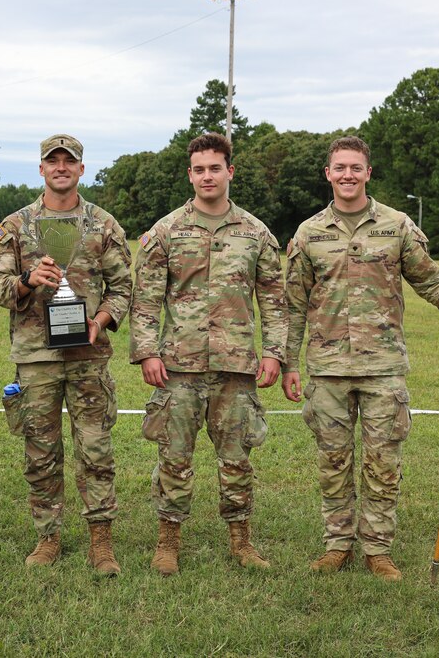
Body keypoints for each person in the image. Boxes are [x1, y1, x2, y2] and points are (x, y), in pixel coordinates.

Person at [282, 135, 439, 581]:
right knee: (333, 462)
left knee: (383, 464)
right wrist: (288, 364)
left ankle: (378, 549)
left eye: (355, 167)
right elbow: (293, 304)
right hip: (328, 370)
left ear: (368, 173)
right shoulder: (309, 234)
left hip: (384, 368)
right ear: (328, 174)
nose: (347, 175)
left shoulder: (397, 226)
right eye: (339, 167)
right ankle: (337, 544)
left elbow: (431, 281)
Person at [130, 132, 286, 575]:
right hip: (178, 366)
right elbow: (144, 301)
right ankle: (168, 542)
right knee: (174, 456)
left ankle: (241, 541)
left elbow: (274, 299)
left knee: (237, 458)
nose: (207, 176)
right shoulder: (166, 231)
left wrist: (274, 353)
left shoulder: (255, 233)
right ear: (190, 175)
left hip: (237, 366)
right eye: (199, 169)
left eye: (215, 168)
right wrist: (146, 353)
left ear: (229, 171)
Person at [0, 134, 132, 576]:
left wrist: (102, 320)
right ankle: (48, 537)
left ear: (82, 170)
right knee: (41, 451)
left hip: (89, 355)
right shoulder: (14, 227)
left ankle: (100, 541)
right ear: (41, 169)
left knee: (95, 448)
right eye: (54, 161)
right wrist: (28, 281)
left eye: (70, 161)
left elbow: (124, 288)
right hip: (36, 358)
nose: (62, 167)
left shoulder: (104, 225)